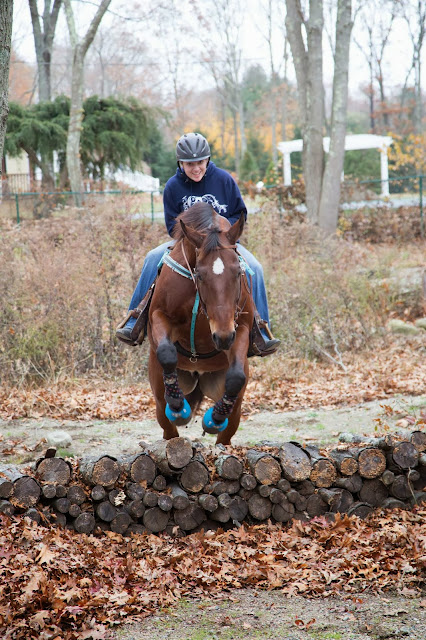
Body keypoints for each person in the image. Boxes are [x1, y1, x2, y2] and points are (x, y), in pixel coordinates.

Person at [116, 132, 280, 357]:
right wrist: (194, 237)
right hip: (188, 245)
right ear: (180, 164)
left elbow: (239, 212)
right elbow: (171, 225)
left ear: (208, 160)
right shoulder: (173, 186)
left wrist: (222, 232)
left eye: (200, 162)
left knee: (256, 268)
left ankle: (261, 331)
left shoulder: (224, 180)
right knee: (152, 257)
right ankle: (134, 320)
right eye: (189, 164)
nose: (196, 168)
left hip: (223, 246)